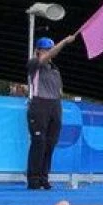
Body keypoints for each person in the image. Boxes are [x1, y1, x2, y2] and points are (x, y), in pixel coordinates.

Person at [26, 35, 75, 190]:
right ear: (38, 51)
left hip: (55, 105)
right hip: (40, 104)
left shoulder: (55, 69)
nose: (49, 52)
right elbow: (46, 57)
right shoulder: (34, 64)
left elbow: (59, 89)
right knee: (39, 142)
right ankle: (33, 179)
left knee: (50, 143)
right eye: (45, 49)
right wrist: (64, 42)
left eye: (50, 49)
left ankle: (44, 177)